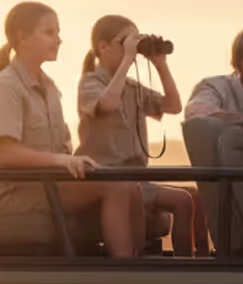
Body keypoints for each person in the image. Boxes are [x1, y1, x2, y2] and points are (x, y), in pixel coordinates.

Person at [0, 1, 143, 257]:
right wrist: (59, 160)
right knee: (115, 187)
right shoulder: (6, 87)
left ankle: (143, 269)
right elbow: (6, 152)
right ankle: (126, 276)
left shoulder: (49, 88)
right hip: (11, 192)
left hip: (44, 183)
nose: (58, 40)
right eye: (49, 33)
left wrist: (70, 161)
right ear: (23, 38)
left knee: (130, 186)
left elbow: (59, 146)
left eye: (58, 33)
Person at [76, 14, 203, 256]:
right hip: (106, 180)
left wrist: (160, 63)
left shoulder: (132, 87)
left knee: (189, 199)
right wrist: (127, 60)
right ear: (102, 47)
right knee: (181, 200)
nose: (131, 49)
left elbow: (174, 106)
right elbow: (109, 104)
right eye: (125, 42)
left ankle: (192, 269)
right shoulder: (90, 83)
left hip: (137, 178)